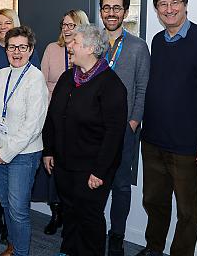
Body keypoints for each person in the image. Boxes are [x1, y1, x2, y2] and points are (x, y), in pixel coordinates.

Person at [136, 0, 197, 256]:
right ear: (157, 10)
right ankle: (153, 248)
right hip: (152, 141)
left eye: (175, 3)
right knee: (154, 201)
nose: (169, 9)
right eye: (163, 5)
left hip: (187, 146)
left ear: (185, 5)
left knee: (187, 211)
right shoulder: (157, 42)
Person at [42, 23, 127, 256]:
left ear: (90, 48)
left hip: (92, 168)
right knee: (69, 211)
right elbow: (53, 116)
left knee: (89, 216)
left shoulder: (111, 84)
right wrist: (48, 150)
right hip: (64, 163)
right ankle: (68, 249)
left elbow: (114, 133)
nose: (69, 46)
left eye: (75, 42)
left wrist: (100, 171)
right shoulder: (68, 77)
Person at [0, 26, 48, 256]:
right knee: (5, 204)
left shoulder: (36, 78)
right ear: (6, 49)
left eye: (22, 47)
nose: (17, 52)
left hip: (23, 155)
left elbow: (33, 125)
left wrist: (6, 152)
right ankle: (12, 245)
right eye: (12, 47)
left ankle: (21, 252)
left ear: (31, 50)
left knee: (18, 210)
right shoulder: (2, 74)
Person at [97, 0, 151, 256]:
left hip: (123, 131)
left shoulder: (138, 47)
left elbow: (142, 89)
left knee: (119, 186)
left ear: (125, 13)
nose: (111, 13)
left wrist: (132, 123)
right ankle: (93, 230)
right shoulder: (92, 43)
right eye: (106, 8)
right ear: (100, 11)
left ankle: (116, 234)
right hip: (93, 130)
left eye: (116, 8)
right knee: (92, 182)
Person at [33, 9, 89, 237]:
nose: (66, 29)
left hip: (78, 122)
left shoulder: (87, 52)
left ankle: (73, 213)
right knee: (53, 166)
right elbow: (41, 81)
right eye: (64, 25)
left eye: (71, 25)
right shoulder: (51, 49)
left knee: (73, 167)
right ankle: (56, 213)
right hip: (53, 117)